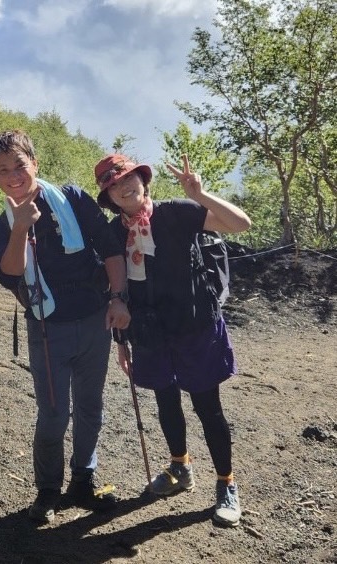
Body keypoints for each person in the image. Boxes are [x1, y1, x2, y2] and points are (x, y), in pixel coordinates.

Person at [94, 153, 251, 527]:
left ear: (143, 180)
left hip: (195, 327)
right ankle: (180, 467)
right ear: (109, 197)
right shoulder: (113, 233)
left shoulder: (177, 212)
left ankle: (226, 483)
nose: (124, 187)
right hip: (149, 333)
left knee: (207, 406)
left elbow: (240, 224)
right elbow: (117, 292)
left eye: (129, 178)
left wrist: (200, 195)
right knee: (166, 401)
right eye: (114, 185)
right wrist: (121, 342)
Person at [0, 130, 131, 524]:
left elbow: (110, 248)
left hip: (95, 318)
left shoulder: (72, 199)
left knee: (90, 406)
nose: (13, 175)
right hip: (47, 329)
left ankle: (83, 479)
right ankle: (48, 489)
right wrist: (20, 227)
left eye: (19, 165)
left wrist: (119, 298)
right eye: (3, 170)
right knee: (53, 414)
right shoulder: (0, 228)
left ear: (35, 163)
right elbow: (10, 274)